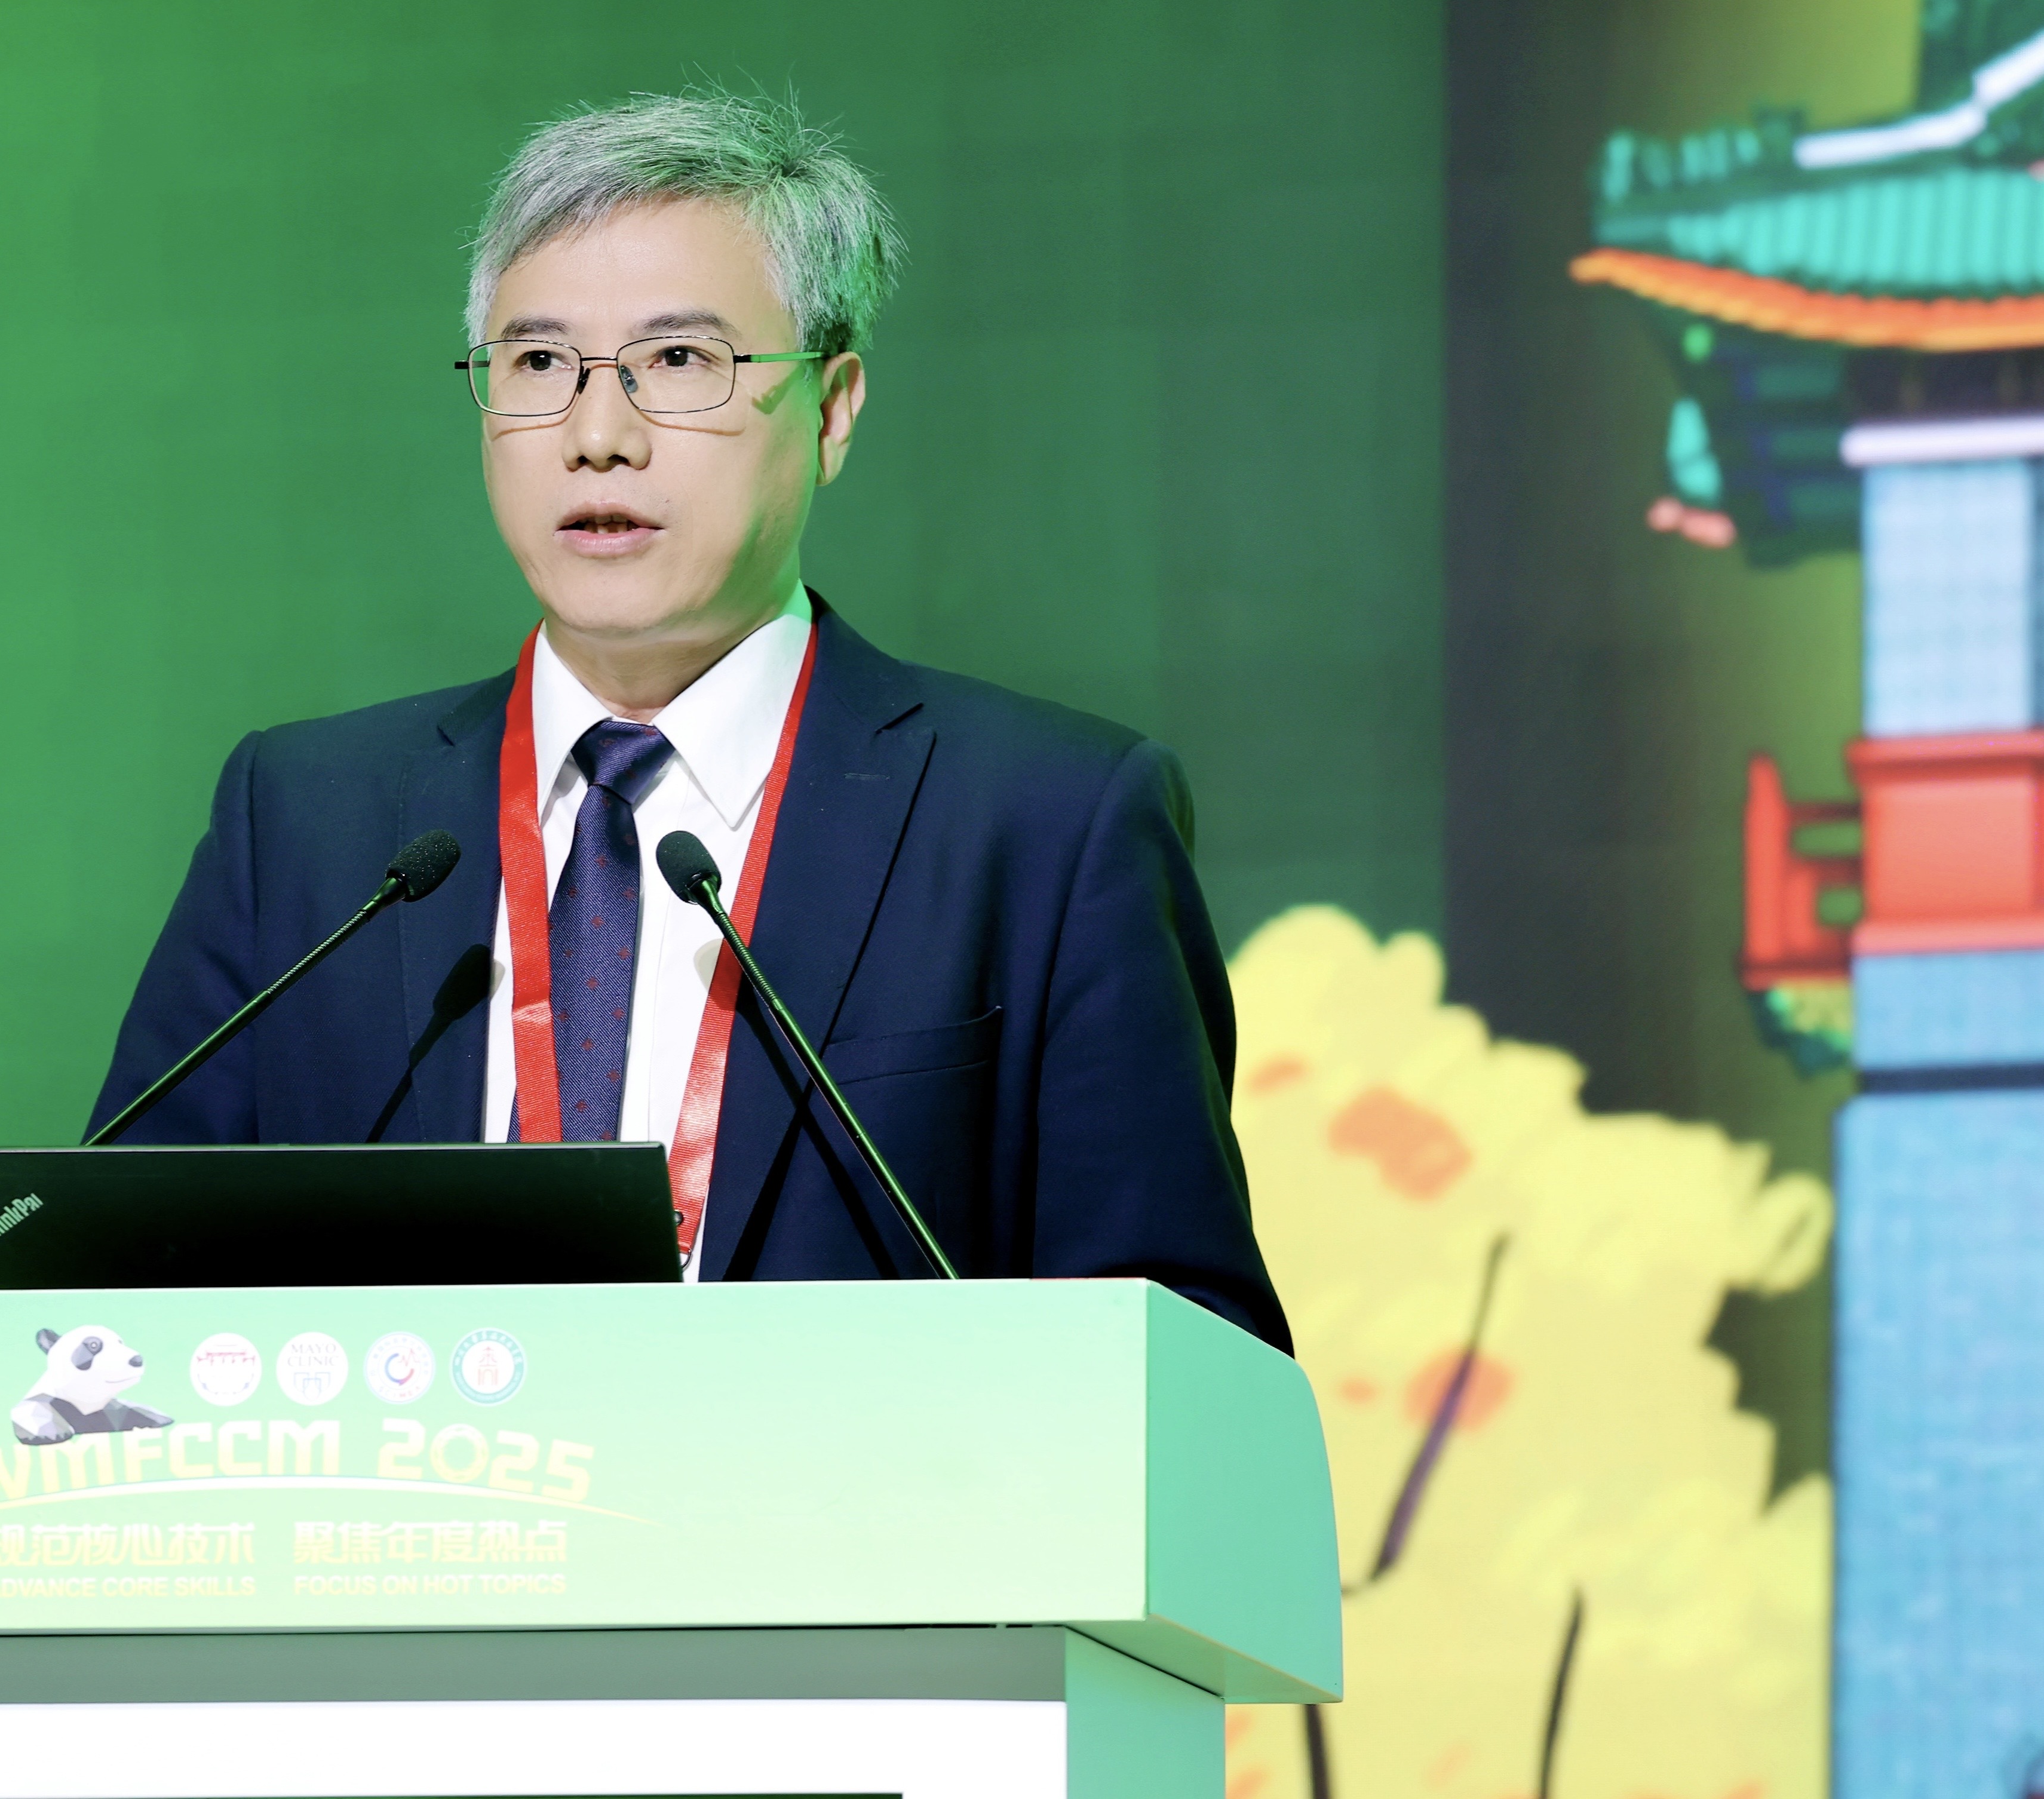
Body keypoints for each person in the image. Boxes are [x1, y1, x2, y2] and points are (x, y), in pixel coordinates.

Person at [91, 90, 1289, 1350]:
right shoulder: (308, 827)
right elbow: (103, 1297)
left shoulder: (1047, 825)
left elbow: (1185, 1345)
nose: (597, 436)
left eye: (677, 362)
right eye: (538, 365)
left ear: (831, 409)